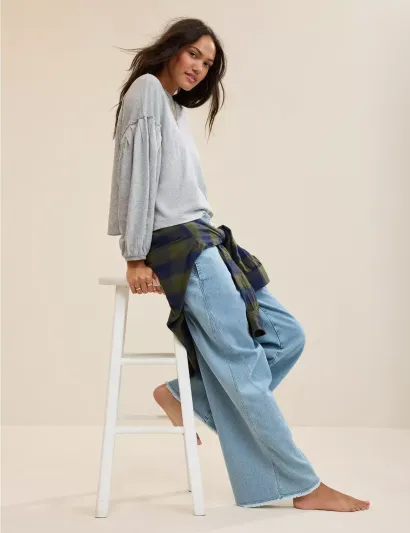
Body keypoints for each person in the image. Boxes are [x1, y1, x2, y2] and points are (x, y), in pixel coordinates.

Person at [107, 17, 370, 512]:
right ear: (172, 49)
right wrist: (135, 255)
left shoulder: (172, 107)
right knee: (241, 363)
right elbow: (134, 176)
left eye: (208, 64)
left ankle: (182, 397)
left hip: (205, 237)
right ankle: (301, 486)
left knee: (285, 335)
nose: (199, 68)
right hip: (178, 243)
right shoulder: (146, 92)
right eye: (194, 55)